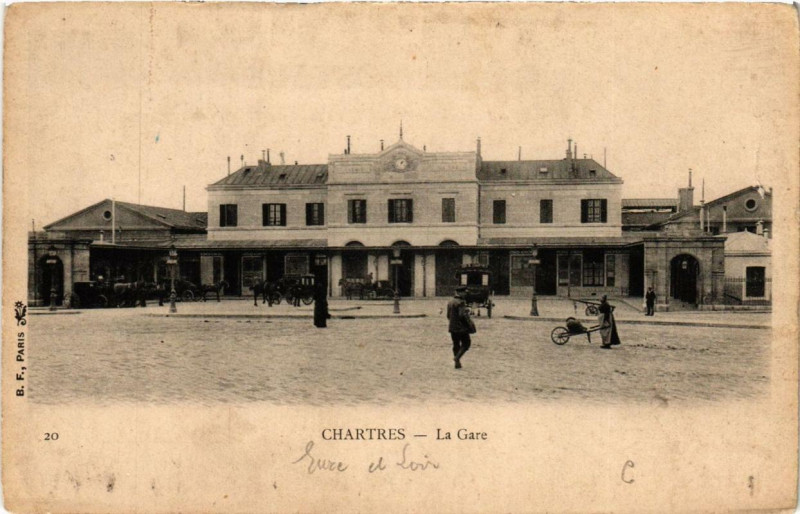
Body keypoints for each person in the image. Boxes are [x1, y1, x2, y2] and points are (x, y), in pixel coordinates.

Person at [446, 287, 473, 369]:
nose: (465, 294)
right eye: (464, 292)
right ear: (460, 293)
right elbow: (462, 315)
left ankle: (457, 363)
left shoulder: (450, 301)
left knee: (456, 344)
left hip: (452, 327)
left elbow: (448, 315)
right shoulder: (461, 302)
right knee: (466, 343)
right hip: (461, 327)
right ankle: (457, 358)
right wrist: (469, 324)